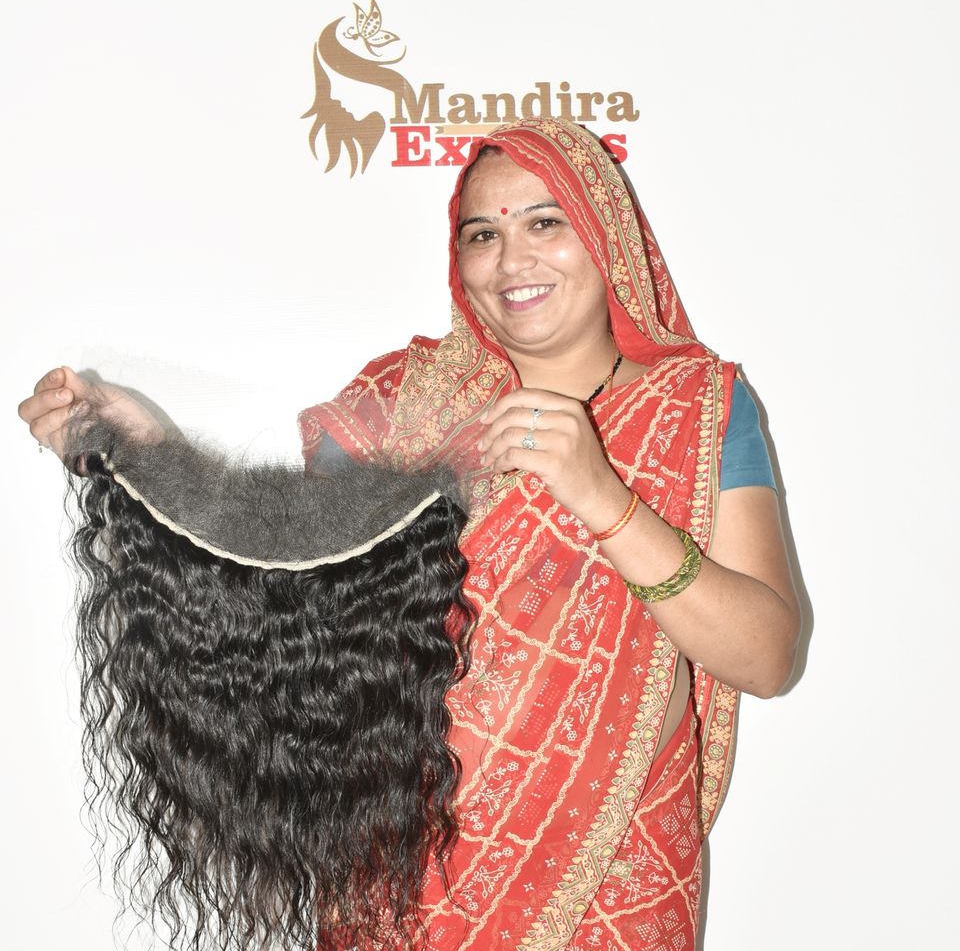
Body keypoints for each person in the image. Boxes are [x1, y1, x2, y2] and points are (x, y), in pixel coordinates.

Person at [19, 117, 799, 949]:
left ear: (606, 233)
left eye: (545, 222)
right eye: (482, 234)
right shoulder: (404, 402)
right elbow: (283, 591)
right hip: (401, 876)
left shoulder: (698, 409)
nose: (512, 260)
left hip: (608, 876)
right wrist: (151, 455)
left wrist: (601, 495)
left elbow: (766, 658)